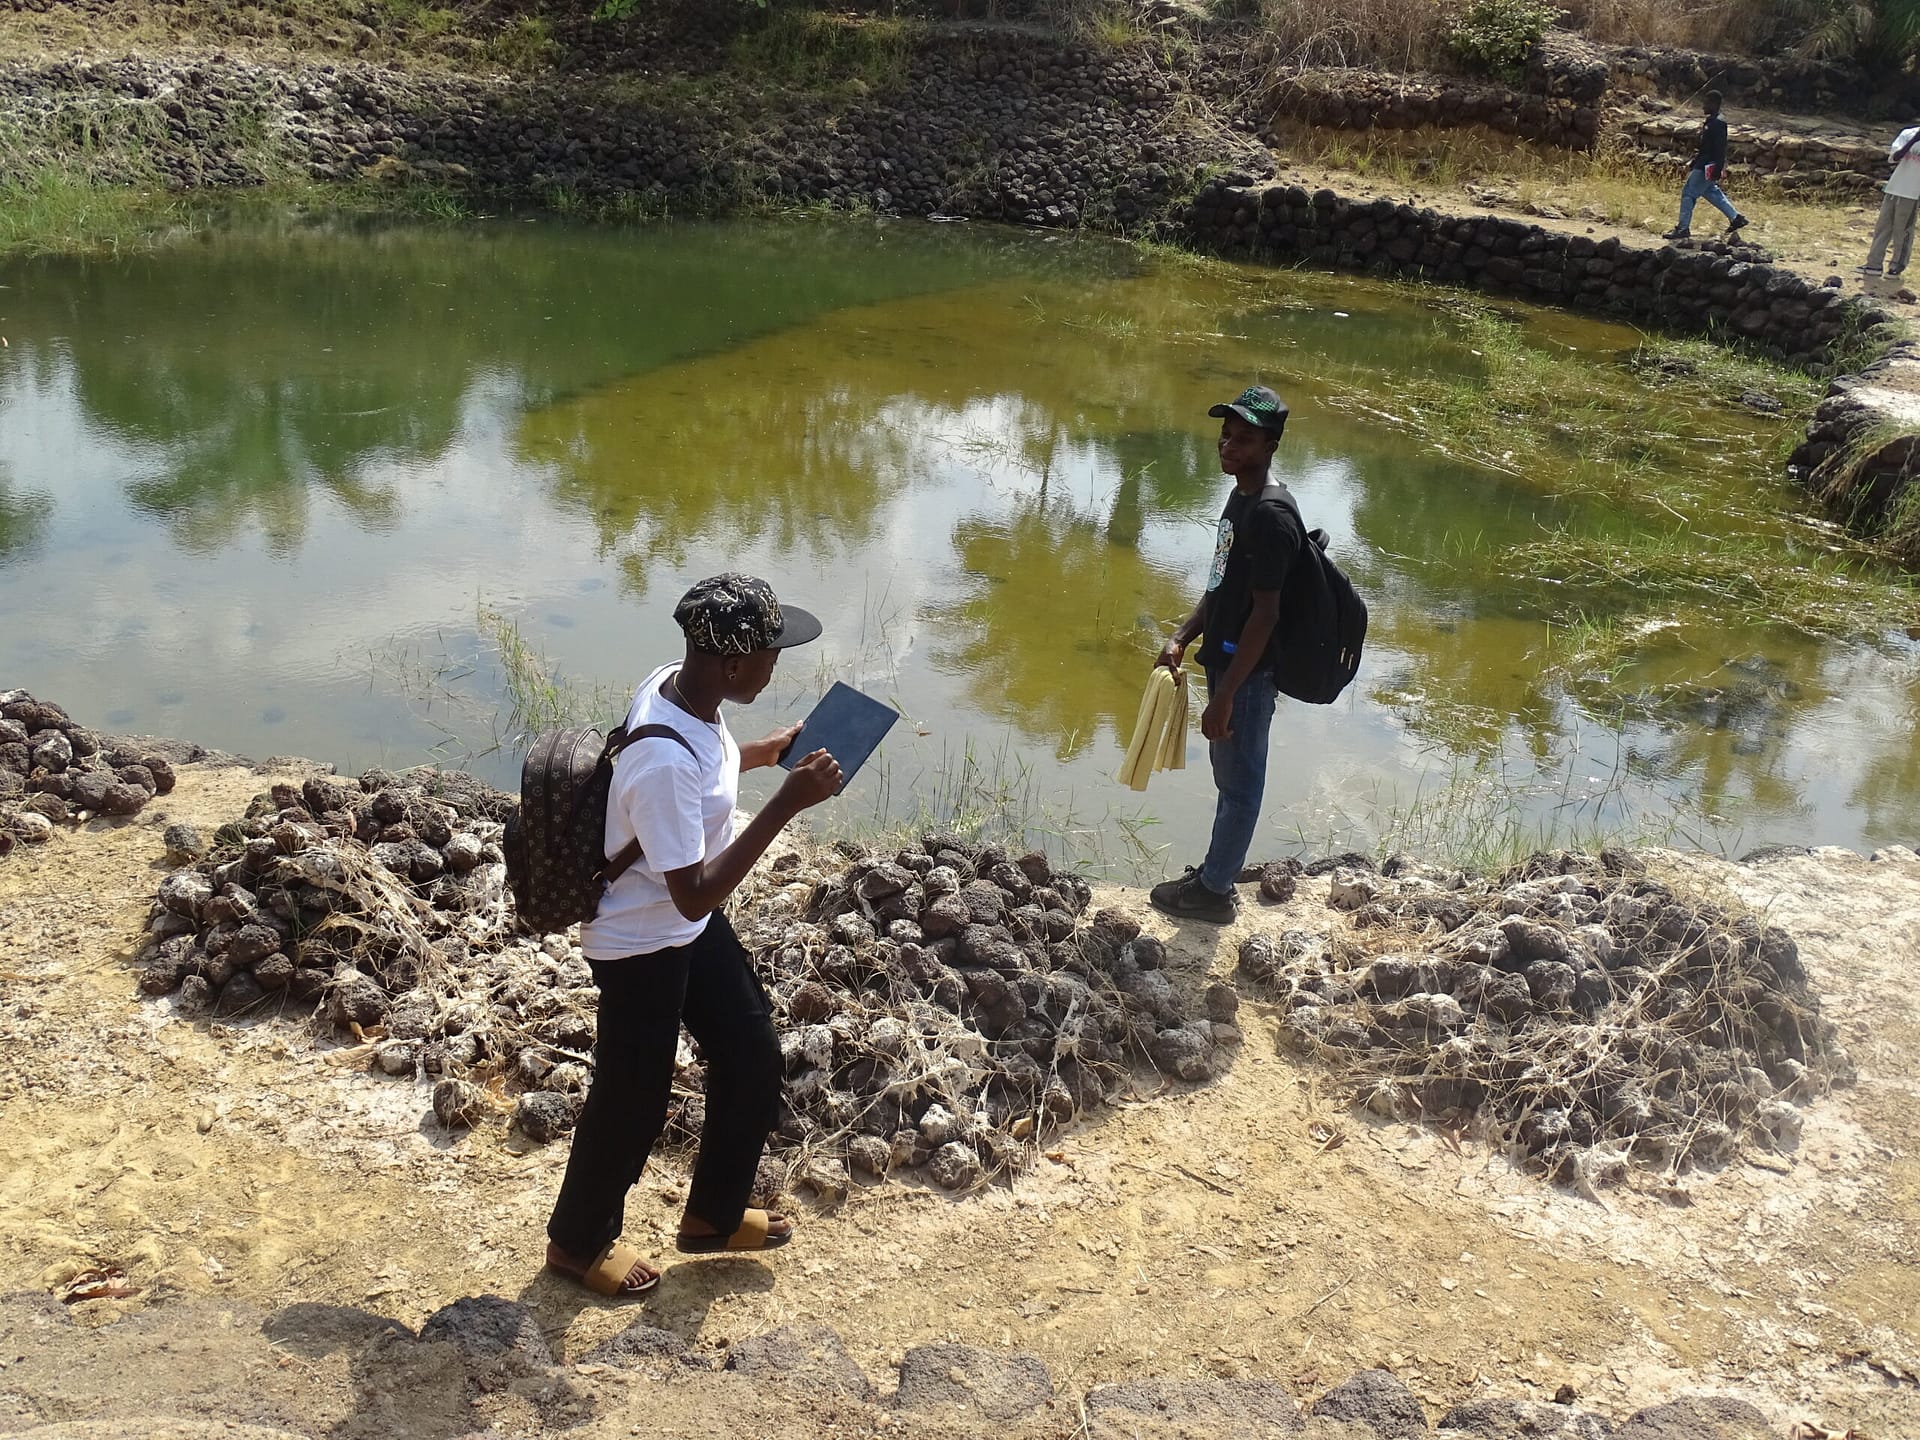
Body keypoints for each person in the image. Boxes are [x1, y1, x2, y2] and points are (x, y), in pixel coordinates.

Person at [544, 573, 843, 1296]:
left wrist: (766, 752)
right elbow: (696, 891)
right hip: (641, 940)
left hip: (684, 926)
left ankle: (712, 1217)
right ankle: (575, 1245)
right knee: (633, 1096)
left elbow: (707, 769)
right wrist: (786, 805)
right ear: (733, 665)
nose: (776, 665)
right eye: (770, 653)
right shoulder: (662, 759)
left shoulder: (682, 689)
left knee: (751, 1052)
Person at [1147, 385, 1303, 925]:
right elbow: (1219, 584)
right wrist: (1182, 636)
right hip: (1227, 663)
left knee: (1240, 786)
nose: (1228, 445)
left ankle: (1214, 892)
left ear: (1271, 446)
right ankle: (1216, 873)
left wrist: (1227, 696)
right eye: (1226, 434)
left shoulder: (1272, 516)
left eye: (1244, 439)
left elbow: (1265, 616)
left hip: (1249, 674)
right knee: (1229, 777)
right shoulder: (1240, 499)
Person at [1665, 91, 1748, 241]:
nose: (1703, 106)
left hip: (1707, 165)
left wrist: (1718, 167)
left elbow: (1720, 148)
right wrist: (1694, 163)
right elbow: (1705, 148)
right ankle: (1736, 218)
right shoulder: (1712, 121)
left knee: (1688, 193)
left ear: (1714, 104)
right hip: (1705, 163)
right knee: (1711, 192)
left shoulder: (1718, 123)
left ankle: (1683, 228)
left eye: (1706, 103)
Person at [1861, 119, 1920, 279]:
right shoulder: (1908, 133)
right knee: (1883, 227)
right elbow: (1895, 157)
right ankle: (1873, 264)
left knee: (1903, 231)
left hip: (1913, 192)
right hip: (1895, 187)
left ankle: (1896, 266)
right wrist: (1914, 140)